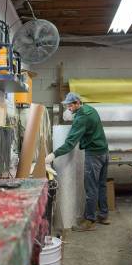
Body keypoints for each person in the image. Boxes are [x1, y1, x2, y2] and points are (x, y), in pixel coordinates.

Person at [45, 92, 110, 231]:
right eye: (67, 105)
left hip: (94, 155)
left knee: (91, 188)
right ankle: (103, 215)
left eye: (70, 105)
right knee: (101, 185)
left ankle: (90, 220)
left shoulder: (81, 118)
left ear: (77, 103)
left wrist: (53, 154)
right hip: (104, 152)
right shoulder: (90, 109)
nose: (68, 108)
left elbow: (70, 144)